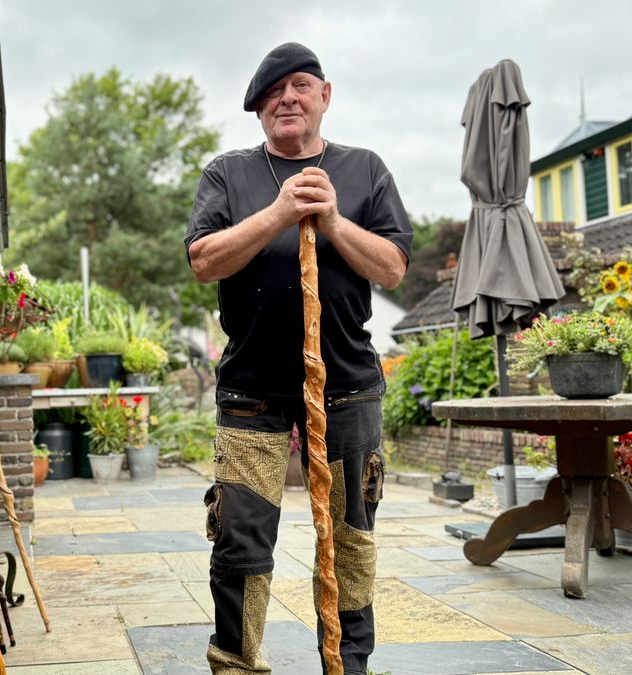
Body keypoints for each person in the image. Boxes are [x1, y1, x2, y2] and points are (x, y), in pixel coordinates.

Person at [184, 42, 413, 674]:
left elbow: (392, 267)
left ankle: (347, 668)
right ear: (260, 108)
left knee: (351, 540)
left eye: (301, 85)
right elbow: (203, 261)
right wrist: (280, 212)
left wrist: (332, 220)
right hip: (251, 389)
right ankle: (236, 666)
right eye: (273, 91)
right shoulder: (228, 174)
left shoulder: (365, 169)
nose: (288, 98)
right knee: (240, 540)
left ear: (325, 96)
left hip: (348, 387)